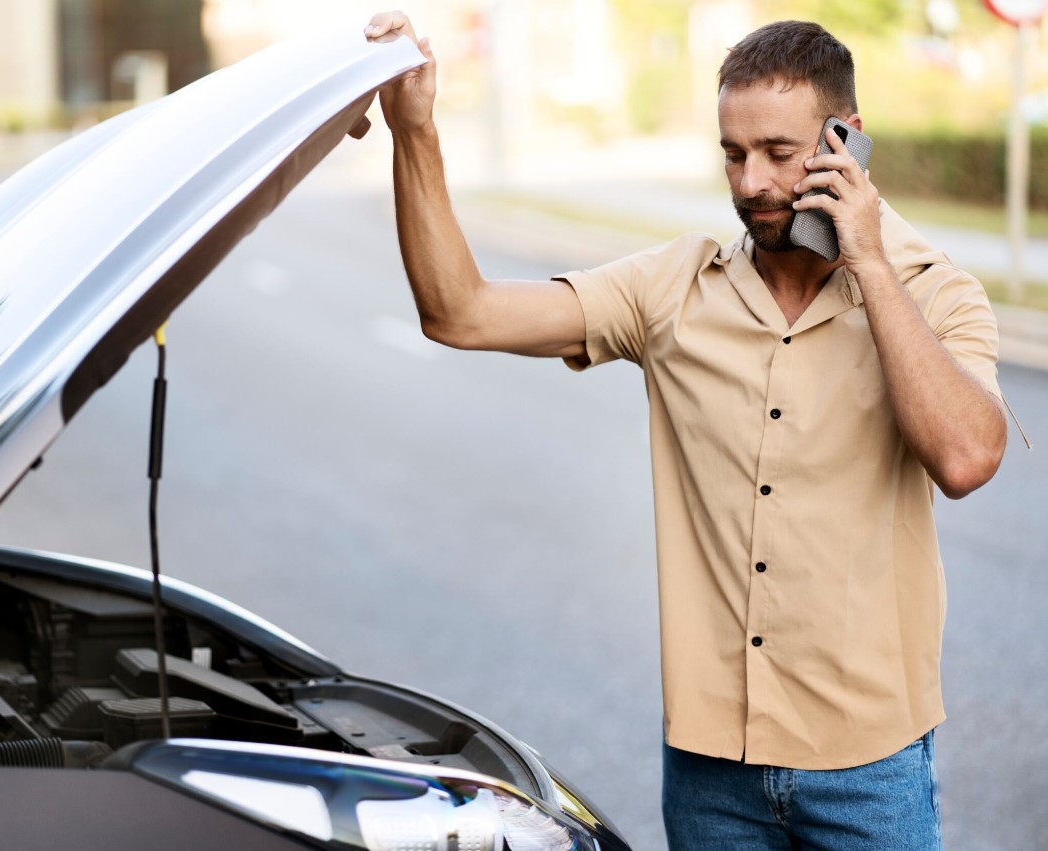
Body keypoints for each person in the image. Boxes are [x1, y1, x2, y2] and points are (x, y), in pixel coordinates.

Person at [364, 11, 1008, 850]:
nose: (749, 184)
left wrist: (871, 265)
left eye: (779, 153)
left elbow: (965, 457)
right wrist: (415, 130)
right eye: (733, 155)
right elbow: (460, 313)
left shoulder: (933, 293)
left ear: (846, 142)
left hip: (869, 773)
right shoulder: (671, 287)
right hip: (711, 776)